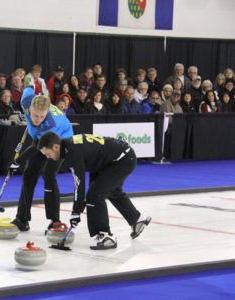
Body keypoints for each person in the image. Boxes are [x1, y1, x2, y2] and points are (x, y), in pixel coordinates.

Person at [37, 131, 151, 250]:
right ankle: (137, 219)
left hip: (123, 160)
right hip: (110, 161)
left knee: (95, 195)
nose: (47, 157)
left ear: (56, 147)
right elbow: (94, 162)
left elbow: (79, 184)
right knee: (110, 191)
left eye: (48, 154)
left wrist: (75, 212)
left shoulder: (72, 153)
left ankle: (106, 236)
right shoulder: (69, 146)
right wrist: (79, 207)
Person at [10, 87, 73, 232]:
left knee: (48, 175)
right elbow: (27, 89)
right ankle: (22, 219)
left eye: (41, 117)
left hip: (60, 140)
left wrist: (16, 162)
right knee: (28, 174)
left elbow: (38, 147)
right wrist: (33, 88)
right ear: (29, 108)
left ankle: (55, 220)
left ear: (47, 113)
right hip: (39, 138)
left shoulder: (51, 124)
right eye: (34, 115)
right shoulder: (26, 101)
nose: (37, 120)